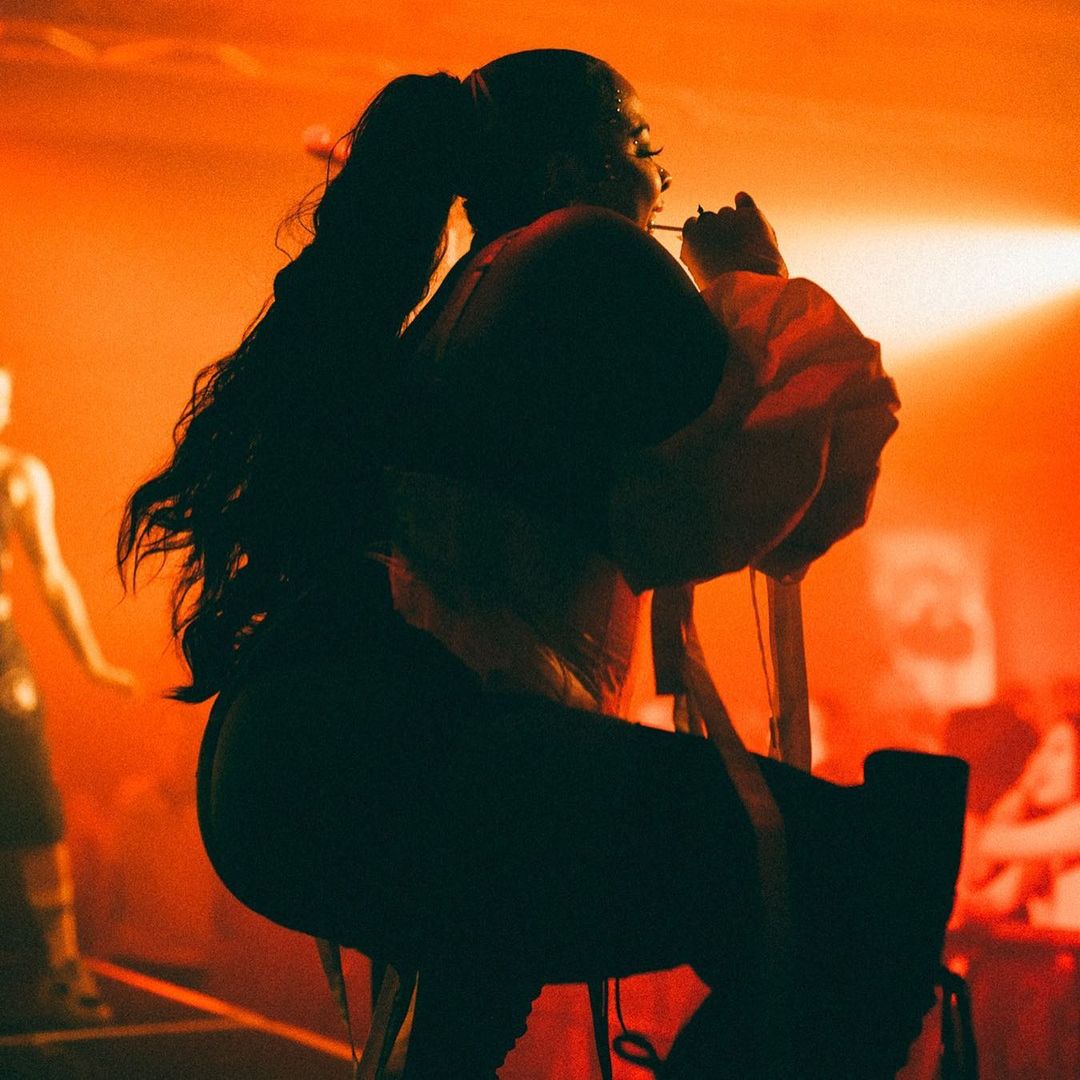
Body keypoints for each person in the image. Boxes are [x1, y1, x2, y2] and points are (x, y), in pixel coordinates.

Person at [119, 50, 967, 1079]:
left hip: (326, 755)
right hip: (399, 743)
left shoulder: (466, 297)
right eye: (641, 145)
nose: (661, 172)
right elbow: (779, 473)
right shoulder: (584, 248)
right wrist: (752, 280)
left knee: (494, 946)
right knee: (857, 872)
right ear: (573, 171)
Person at [0, 367, 135, 1028]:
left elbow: (50, 572)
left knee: (35, 803)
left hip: (0, 659)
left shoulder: (16, 477)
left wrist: (91, 660)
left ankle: (62, 964)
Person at [955, 714, 1080, 929]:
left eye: (1057, 750)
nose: (1040, 761)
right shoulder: (1047, 849)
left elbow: (987, 843)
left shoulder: (1074, 825)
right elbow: (993, 901)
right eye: (1040, 750)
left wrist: (1023, 788)